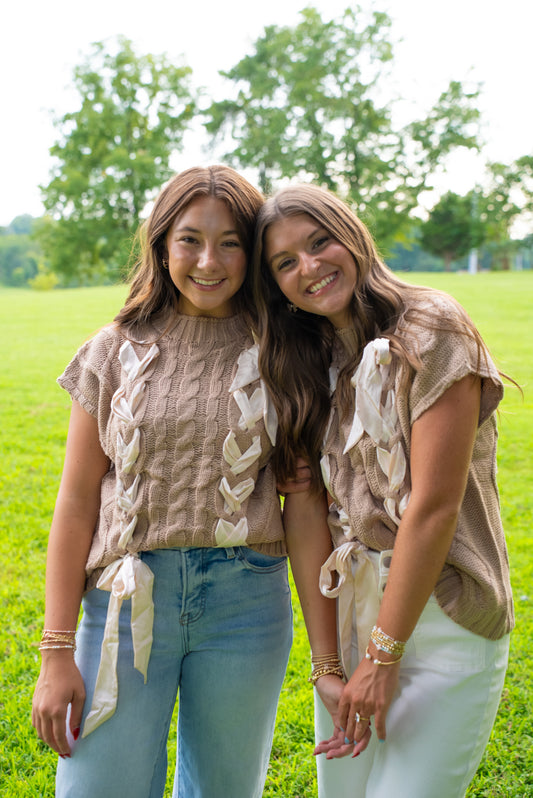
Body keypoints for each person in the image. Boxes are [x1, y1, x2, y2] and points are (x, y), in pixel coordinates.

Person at [31, 165, 295, 798]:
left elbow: (307, 485)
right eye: (189, 239)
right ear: (160, 243)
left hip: (245, 601)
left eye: (230, 241)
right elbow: (75, 504)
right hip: (122, 598)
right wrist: (56, 649)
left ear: (252, 251)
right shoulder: (114, 350)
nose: (209, 260)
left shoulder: (285, 350)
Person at [251, 183, 514, 797]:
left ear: (353, 234)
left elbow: (433, 506)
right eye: (285, 263)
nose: (309, 268)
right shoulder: (307, 358)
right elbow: (306, 507)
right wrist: (329, 666)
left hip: (445, 616)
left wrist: (382, 658)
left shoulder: (430, 327)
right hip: (351, 617)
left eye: (320, 243)